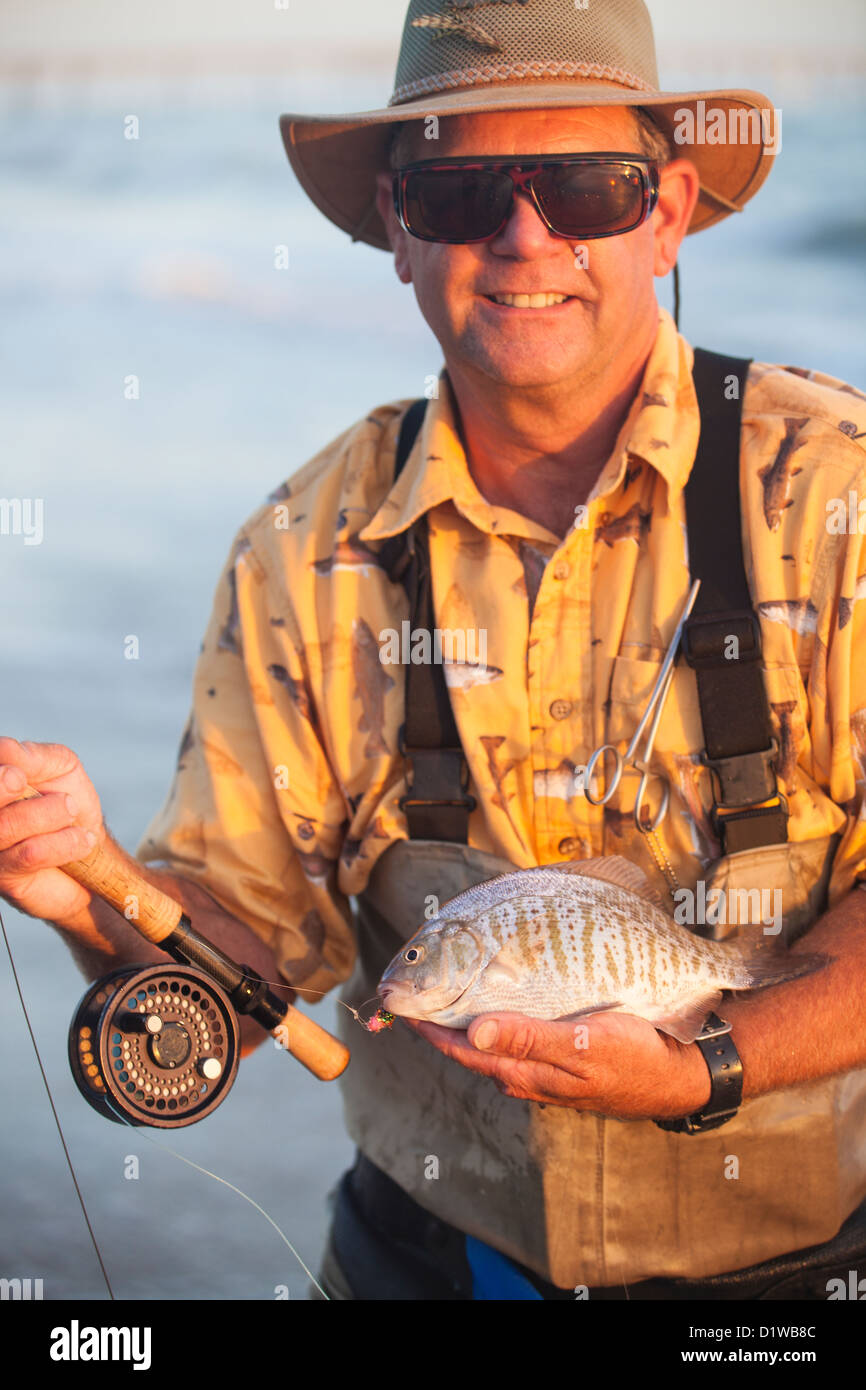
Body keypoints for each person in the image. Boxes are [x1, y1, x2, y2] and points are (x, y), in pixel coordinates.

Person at [1, 0, 865, 1300]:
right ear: (397, 229)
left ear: (666, 211)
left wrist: (709, 1057)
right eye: (462, 193)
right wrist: (93, 885)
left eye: (585, 186)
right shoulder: (303, 549)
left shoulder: (833, 496)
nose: (526, 238)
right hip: (424, 1264)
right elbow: (247, 987)